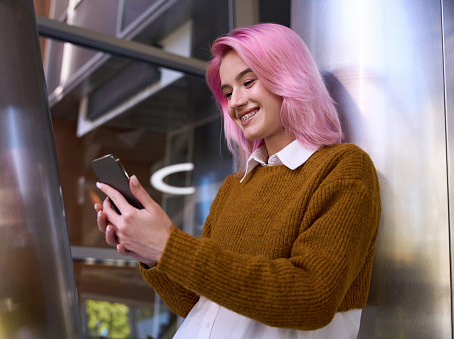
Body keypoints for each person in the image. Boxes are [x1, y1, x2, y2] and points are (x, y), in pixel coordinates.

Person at [95, 23, 381, 338]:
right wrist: (151, 255)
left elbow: (313, 296)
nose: (234, 102)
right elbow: (197, 303)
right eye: (228, 92)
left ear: (287, 76)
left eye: (248, 82)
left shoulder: (343, 167)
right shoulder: (236, 185)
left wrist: (168, 246)